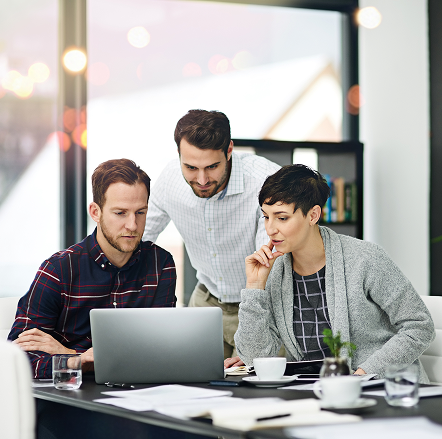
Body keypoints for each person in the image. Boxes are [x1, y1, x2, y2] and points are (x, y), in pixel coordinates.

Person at [227, 164, 435, 382]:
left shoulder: (365, 258)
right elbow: (255, 358)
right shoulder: (274, 271)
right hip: (312, 392)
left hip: (384, 389)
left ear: (313, 215)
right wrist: (254, 287)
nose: (270, 229)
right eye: (266, 217)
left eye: (282, 218)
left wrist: (364, 374)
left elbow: (419, 326)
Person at [8, 159, 176, 378]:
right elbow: (17, 359)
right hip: (71, 398)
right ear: (95, 212)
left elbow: (161, 352)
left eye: (140, 212)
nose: (133, 225)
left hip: (137, 395)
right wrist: (78, 361)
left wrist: (69, 354)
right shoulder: (58, 270)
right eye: (120, 213)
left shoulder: (160, 263)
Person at [143, 109, 280, 358]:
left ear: (229, 150)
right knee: (191, 381)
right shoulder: (170, 180)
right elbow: (138, 239)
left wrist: (253, 338)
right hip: (206, 300)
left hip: (260, 304)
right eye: (191, 167)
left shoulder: (265, 181)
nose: (202, 179)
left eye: (212, 167)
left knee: (250, 386)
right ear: (179, 155)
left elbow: (272, 262)